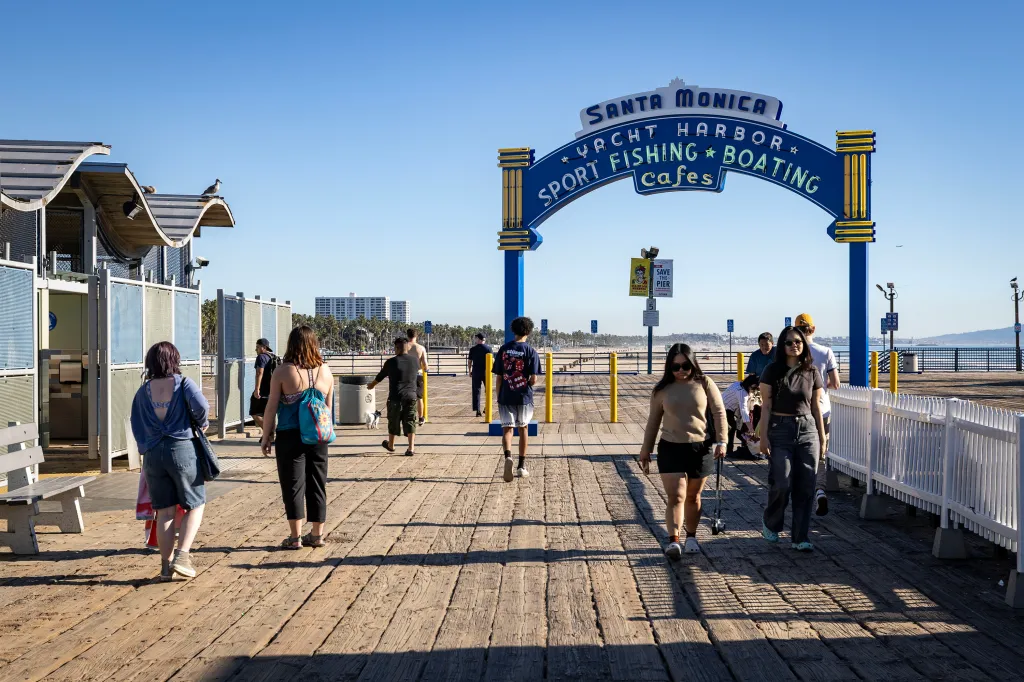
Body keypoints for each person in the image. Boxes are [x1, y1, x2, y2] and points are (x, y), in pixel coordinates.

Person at [130, 341, 209, 581]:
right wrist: (200, 422)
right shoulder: (184, 384)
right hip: (182, 449)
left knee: (163, 512)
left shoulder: (143, 391)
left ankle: (166, 567)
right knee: (195, 504)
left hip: (153, 454)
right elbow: (202, 407)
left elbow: (136, 421)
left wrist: (148, 444)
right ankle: (183, 556)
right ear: (174, 360)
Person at [639, 344, 727, 559]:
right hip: (670, 447)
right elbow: (653, 422)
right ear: (669, 367)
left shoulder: (705, 383)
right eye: (675, 366)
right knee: (675, 496)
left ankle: (691, 536)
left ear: (693, 363)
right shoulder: (661, 390)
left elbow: (719, 412)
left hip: (700, 447)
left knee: (693, 496)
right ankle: (674, 540)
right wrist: (645, 450)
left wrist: (722, 441)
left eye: (685, 366)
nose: (680, 370)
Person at [260, 325, 335, 550]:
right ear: (315, 344)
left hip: (290, 435)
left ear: (291, 344)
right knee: (318, 484)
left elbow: (272, 406)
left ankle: (295, 537)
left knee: (293, 485)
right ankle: (318, 535)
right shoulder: (326, 371)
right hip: (318, 436)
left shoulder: (283, 371)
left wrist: (266, 435)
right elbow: (328, 409)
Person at [758, 326, 827, 551]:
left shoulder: (812, 371)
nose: (794, 345)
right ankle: (772, 521)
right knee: (782, 482)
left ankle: (800, 537)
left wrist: (822, 436)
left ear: (803, 344)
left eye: (798, 341)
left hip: (808, 430)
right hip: (780, 429)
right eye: (789, 342)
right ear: (782, 346)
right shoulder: (772, 370)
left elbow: (816, 406)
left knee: (806, 485)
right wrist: (763, 438)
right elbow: (766, 406)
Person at [794, 313, 841, 516]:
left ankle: (803, 492)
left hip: (798, 410)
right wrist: (820, 387)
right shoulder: (826, 352)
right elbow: (836, 383)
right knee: (820, 453)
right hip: (822, 409)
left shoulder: (792, 352)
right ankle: (820, 490)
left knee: (798, 452)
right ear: (813, 329)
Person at [493, 316, 541, 482]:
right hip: (524, 397)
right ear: (528, 331)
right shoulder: (531, 351)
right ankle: (521, 466)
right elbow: (533, 379)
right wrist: (526, 383)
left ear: (513, 330)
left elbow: (498, 376)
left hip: (506, 395)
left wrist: (498, 395)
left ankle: (508, 457)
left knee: (507, 429)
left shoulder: (504, 349)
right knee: (523, 429)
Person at [368, 338, 419, 456]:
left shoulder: (391, 362)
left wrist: (371, 385)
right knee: (410, 421)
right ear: (407, 347)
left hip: (395, 397)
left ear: (397, 348)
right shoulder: (415, 361)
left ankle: (391, 445)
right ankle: (411, 448)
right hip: (411, 396)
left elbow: (380, 376)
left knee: (393, 421)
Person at [720, 374, 761, 458]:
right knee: (731, 428)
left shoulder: (739, 385)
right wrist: (750, 428)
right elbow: (744, 410)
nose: (754, 390)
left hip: (732, 409)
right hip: (725, 408)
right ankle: (728, 451)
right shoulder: (742, 392)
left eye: (756, 389)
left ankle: (738, 448)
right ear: (749, 384)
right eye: (753, 388)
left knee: (736, 428)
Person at [249, 338, 278, 433]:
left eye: (257, 347)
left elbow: (259, 373)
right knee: (270, 414)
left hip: (263, 391)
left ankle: (268, 433)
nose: (256, 349)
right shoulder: (273, 356)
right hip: (273, 390)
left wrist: (257, 389)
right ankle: (271, 436)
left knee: (254, 413)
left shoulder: (261, 357)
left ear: (263, 347)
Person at [406, 328, 429, 426]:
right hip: (417, 374)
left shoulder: (403, 347)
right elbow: (425, 364)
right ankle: (420, 418)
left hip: (405, 375)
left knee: (406, 397)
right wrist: (426, 369)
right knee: (419, 397)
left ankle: (408, 416)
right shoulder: (421, 348)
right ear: (416, 336)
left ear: (407, 335)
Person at [467, 333, 492, 417]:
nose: (475, 340)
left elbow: (470, 361)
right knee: (488, 390)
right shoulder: (488, 348)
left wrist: (469, 370)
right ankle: (487, 407)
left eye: (476, 338)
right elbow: (492, 360)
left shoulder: (473, 349)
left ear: (479, 339)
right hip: (486, 372)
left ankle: (477, 410)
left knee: (476, 391)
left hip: (476, 372)